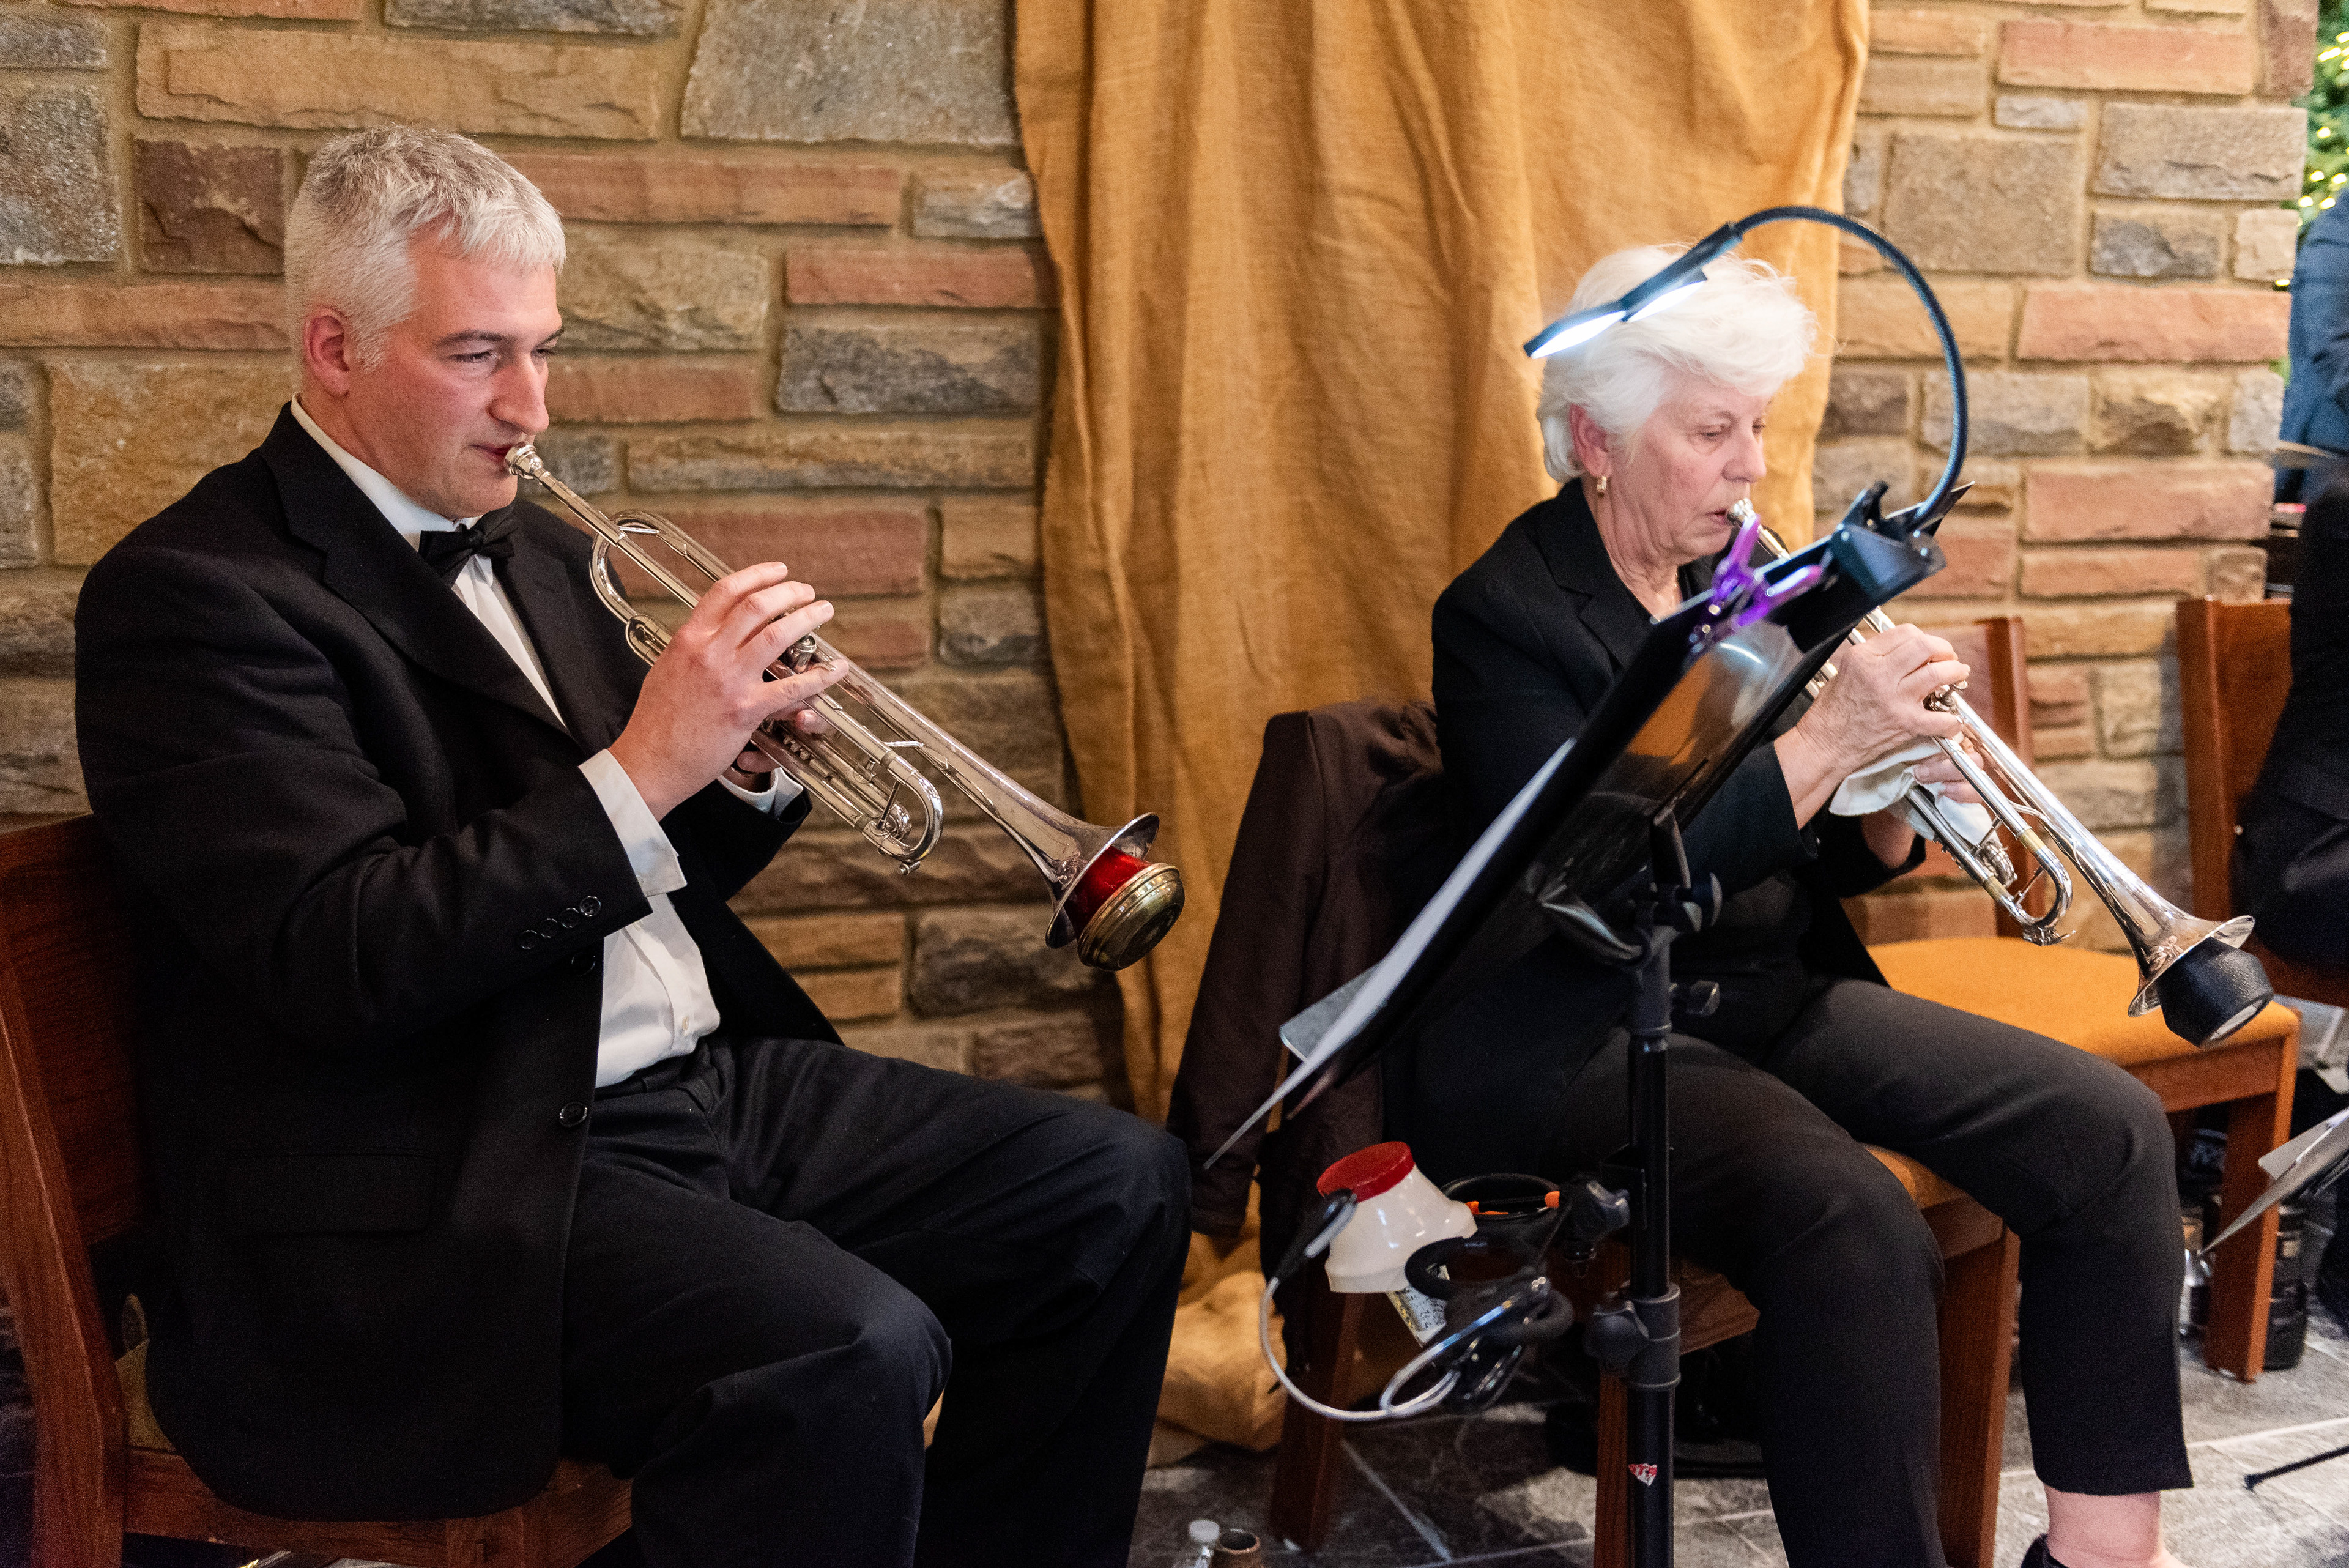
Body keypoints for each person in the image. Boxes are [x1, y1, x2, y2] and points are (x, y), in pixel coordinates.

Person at [72, 126, 1187, 1568]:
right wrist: (654, 757)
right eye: (478, 354)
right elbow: (344, 954)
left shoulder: (543, 551)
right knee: (846, 1347)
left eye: (543, 348)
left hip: (685, 1091)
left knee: (1114, 1189)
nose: (530, 406)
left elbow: (627, 866)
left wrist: (741, 773)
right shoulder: (193, 594)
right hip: (449, 1169)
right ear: (334, 348)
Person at [1386, 246, 2193, 1568]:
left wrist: (1893, 791)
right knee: (1849, 1218)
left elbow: (1812, 860)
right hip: (1576, 1025)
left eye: (1757, 427)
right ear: (1596, 441)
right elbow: (1600, 884)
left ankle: (2103, 1555)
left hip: (1764, 988)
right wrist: (1824, 747)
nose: (1751, 468)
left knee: (2108, 1131)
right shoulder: (1505, 615)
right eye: (1713, 432)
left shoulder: (1750, 584)